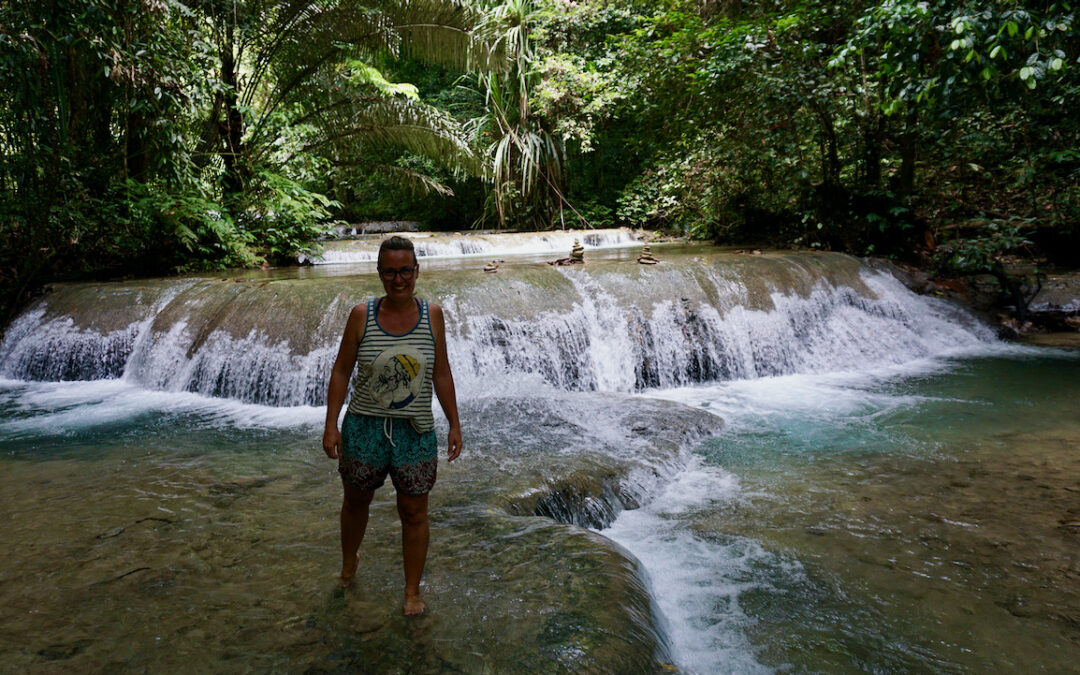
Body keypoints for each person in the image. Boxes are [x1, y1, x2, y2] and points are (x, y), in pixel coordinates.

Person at [322, 235, 462, 616]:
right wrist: (331, 424)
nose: (398, 279)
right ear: (379, 273)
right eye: (390, 272)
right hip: (364, 427)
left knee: (414, 513)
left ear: (417, 271)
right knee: (355, 502)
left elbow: (442, 373)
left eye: (405, 271)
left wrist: (454, 423)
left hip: (414, 431)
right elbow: (341, 371)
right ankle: (348, 565)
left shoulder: (433, 315)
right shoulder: (361, 315)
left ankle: (411, 591)